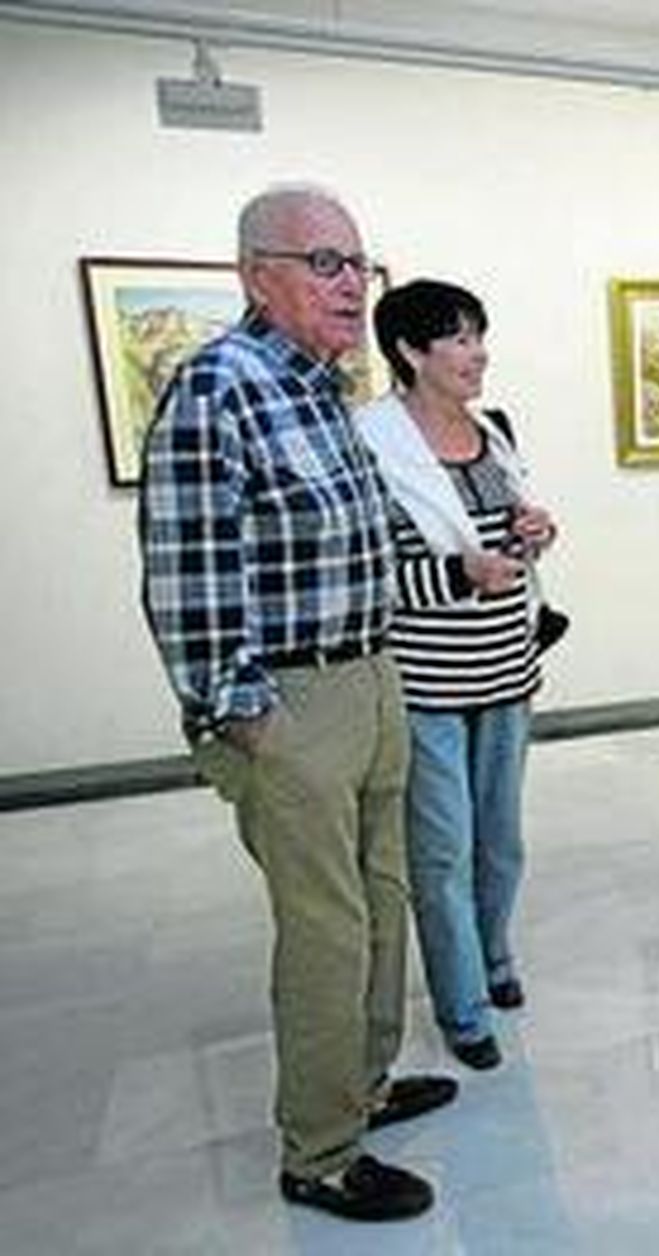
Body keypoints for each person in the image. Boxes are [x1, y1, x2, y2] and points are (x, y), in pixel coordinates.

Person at [139, 184, 456, 1223]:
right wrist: (248, 717)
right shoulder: (216, 387)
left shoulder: (323, 385)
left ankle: (360, 1083)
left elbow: (358, 531)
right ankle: (319, 1151)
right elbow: (185, 575)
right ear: (255, 273)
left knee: (384, 894)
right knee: (324, 927)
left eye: (361, 264)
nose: (351, 285)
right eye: (325, 262)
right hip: (292, 701)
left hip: (371, 676)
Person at [355, 279, 560, 1072]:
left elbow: (508, 544)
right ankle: (462, 1004)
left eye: (480, 336)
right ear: (411, 352)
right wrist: (457, 577)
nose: (479, 354)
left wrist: (535, 532)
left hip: (506, 670)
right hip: (427, 684)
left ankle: (495, 957)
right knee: (442, 855)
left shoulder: (492, 432)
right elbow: (368, 576)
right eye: (461, 339)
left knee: (501, 843)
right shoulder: (370, 442)